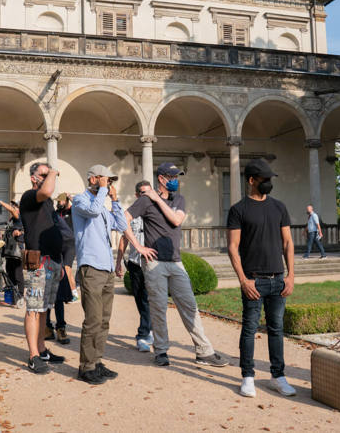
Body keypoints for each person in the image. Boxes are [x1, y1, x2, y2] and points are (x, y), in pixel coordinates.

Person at [126, 162, 228, 368]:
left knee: (190, 306)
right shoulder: (144, 201)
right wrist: (138, 246)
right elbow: (123, 218)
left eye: (177, 177)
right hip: (154, 264)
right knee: (158, 308)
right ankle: (161, 351)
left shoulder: (179, 199)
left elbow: (176, 220)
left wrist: (158, 199)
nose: (175, 181)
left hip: (175, 262)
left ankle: (204, 351)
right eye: (172, 177)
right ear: (161, 179)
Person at [72, 165, 153, 385]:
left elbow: (120, 225)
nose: (108, 184)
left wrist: (115, 202)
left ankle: (97, 362)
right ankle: (85, 367)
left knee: (104, 321)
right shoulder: (80, 201)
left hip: (106, 269)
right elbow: (93, 211)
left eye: (109, 181)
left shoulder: (105, 207)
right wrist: (101, 191)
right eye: (105, 180)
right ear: (94, 179)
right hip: (91, 268)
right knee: (93, 320)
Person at [226, 159, 297, 398]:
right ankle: (248, 377)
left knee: (277, 329)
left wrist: (291, 276)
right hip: (253, 281)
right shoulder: (238, 210)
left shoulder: (279, 207)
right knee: (249, 329)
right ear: (251, 180)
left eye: (270, 179)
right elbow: (232, 247)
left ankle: (278, 376)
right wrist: (243, 280)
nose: (269, 183)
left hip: (278, 280)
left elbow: (288, 243)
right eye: (265, 179)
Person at [18, 162, 66, 374]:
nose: (48, 178)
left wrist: (61, 262)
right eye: (44, 174)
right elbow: (47, 189)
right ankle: (33, 356)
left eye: (50, 175)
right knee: (34, 308)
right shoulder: (30, 196)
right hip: (38, 262)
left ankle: (42, 349)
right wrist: (54, 172)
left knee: (45, 307)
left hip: (53, 261)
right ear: (34, 178)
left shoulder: (48, 204)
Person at [116, 180, 154, 352]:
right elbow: (123, 239)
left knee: (148, 300)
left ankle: (143, 334)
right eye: (143, 193)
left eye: (149, 192)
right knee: (140, 300)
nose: (146, 196)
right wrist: (118, 262)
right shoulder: (130, 214)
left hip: (153, 263)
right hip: (135, 263)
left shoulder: (155, 212)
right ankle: (149, 328)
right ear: (137, 195)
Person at [45, 193, 75, 345]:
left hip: (56, 259)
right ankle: (47, 327)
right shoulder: (44, 217)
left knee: (57, 298)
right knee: (46, 298)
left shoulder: (55, 217)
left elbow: (69, 236)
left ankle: (61, 327)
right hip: (44, 261)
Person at [0, 200, 24, 306]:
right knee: (9, 274)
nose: (13, 207)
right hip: (9, 250)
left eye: (15, 206)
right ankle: (10, 299)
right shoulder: (12, 219)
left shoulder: (19, 217)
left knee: (18, 274)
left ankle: (20, 296)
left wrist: (1, 203)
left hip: (16, 250)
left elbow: (12, 210)